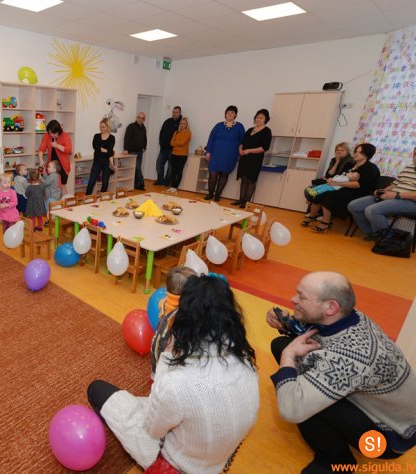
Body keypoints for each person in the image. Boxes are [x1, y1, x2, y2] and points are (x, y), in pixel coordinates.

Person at [87, 275, 259, 473]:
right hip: (217, 460)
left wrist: (167, 357)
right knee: (164, 406)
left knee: (97, 390)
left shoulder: (177, 383)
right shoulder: (247, 362)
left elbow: (154, 428)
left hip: (177, 463)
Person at [266, 271, 416, 473]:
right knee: (281, 345)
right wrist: (288, 322)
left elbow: (291, 410)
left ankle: (335, 462)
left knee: (303, 394)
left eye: (302, 297)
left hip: (387, 441)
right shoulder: (351, 316)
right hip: (387, 412)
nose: (293, 299)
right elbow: (318, 335)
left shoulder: (349, 358)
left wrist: (288, 356)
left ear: (331, 307)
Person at [305, 143, 380, 233]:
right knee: (319, 192)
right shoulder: (349, 165)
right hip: (342, 188)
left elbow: (358, 185)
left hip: (358, 192)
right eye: (356, 152)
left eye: (360, 153)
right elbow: (340, 176)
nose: (356, 154)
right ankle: (312, 216)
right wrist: (332, 180)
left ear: (367, 155)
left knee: (327, 195)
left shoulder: (371, 168)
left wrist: (336, 183)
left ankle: (326, 223)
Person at [348, 146, 416, 240]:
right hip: (394, 196)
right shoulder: (409, 167)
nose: (415, 156)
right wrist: (382, 191)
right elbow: (394, 184)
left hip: (410, 201)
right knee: (354, 206)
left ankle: (386, 239)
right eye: (415, 154)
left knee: (372, 210)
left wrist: (396, 195)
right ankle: (373, 233)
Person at [150, 266, 197, 379]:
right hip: (170, 346)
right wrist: (156, 369)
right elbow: (158, 345)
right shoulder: (176, 315)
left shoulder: (166, 302)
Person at [204, 105, 245, 202]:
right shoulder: (218, 125)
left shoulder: (239, 126)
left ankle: (217, 195)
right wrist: (208, 152)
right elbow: (211, 139)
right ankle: (210, 193)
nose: (230, 114)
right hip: (215, 155)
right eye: (228, 112)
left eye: (232, 112)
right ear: (225, 114)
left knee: (224, 175)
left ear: (235, 115)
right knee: (213, 175)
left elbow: (242, 141)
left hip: (230, 156)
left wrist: (240, 152)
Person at [235, 109, 272, 208]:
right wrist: (240, 148)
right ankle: (240, 200)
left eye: (261, 118)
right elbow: (242, 142)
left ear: (265, 120)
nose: (258, 119)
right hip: (244, 158)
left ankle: (246, 202)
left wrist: (249, 151)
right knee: (243, 179)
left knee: (250, 180)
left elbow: (264, 148)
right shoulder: (250, 130)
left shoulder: (267, 131)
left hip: (255, 160)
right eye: (257, 117)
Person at [38, 120, 72, 195]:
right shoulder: (47, 136)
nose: (51, 135)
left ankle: (64, 201)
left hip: (63, 165)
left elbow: (69, 149)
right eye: (50, 133)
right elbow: (41, 149)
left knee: (63, 185)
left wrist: (57, 145)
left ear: (58, 131)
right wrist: (40, 159)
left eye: (53, 133)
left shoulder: (65, 135)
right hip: (52, 166)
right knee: (49, 185)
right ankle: (51, 201)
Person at [86, 117, 115, 195]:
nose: (101, 128)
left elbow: (110, 152)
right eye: (100, 127)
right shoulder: (96, 136)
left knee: (105, 182)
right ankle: (86, 198)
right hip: (97, 161)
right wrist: (105, 150)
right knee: (91, 181)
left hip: (106, 163)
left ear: (108, 127)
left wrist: (112, 164)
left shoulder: (112, 138)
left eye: (103, 127)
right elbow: (95, 147)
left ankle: (103, 199)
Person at [155, 106, 181, 187]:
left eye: (176, 112)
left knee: (171, 167)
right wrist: (161, 142)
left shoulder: (181, 123)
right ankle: (160, 180)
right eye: (173, 112)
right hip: (163, 148)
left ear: (180, 113)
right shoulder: (167, 121)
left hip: (173, 150)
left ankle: (166, 182)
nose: (175, 114)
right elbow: (161, 132)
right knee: (159, 164)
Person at [123, 112, 147, 190]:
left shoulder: (143, 128)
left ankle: (136, 185)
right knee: (137, 168)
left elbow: (145, 138)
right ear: (137, 118)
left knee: (137, 168)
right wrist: (125, 149)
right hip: (132, 152)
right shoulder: (131, 126)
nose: (140, 119)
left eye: (142, 118)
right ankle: (141, 184)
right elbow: (126, 138)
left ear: (144, 119)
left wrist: (144, 147)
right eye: (139, 117)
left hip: (140, 152)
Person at [167, 117, 191, 192]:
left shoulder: (188, 133)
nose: (182, 125)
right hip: (174, 154)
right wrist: (177, 143)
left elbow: (183, 142)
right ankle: (172, 186)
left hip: (182, 155)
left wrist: (176, 142)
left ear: (186, 124)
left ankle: (175, 187)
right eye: (181, 123)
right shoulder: (176, 132)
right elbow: (171, 143)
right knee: (173, 171)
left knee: (179, 171)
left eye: (184, 123)